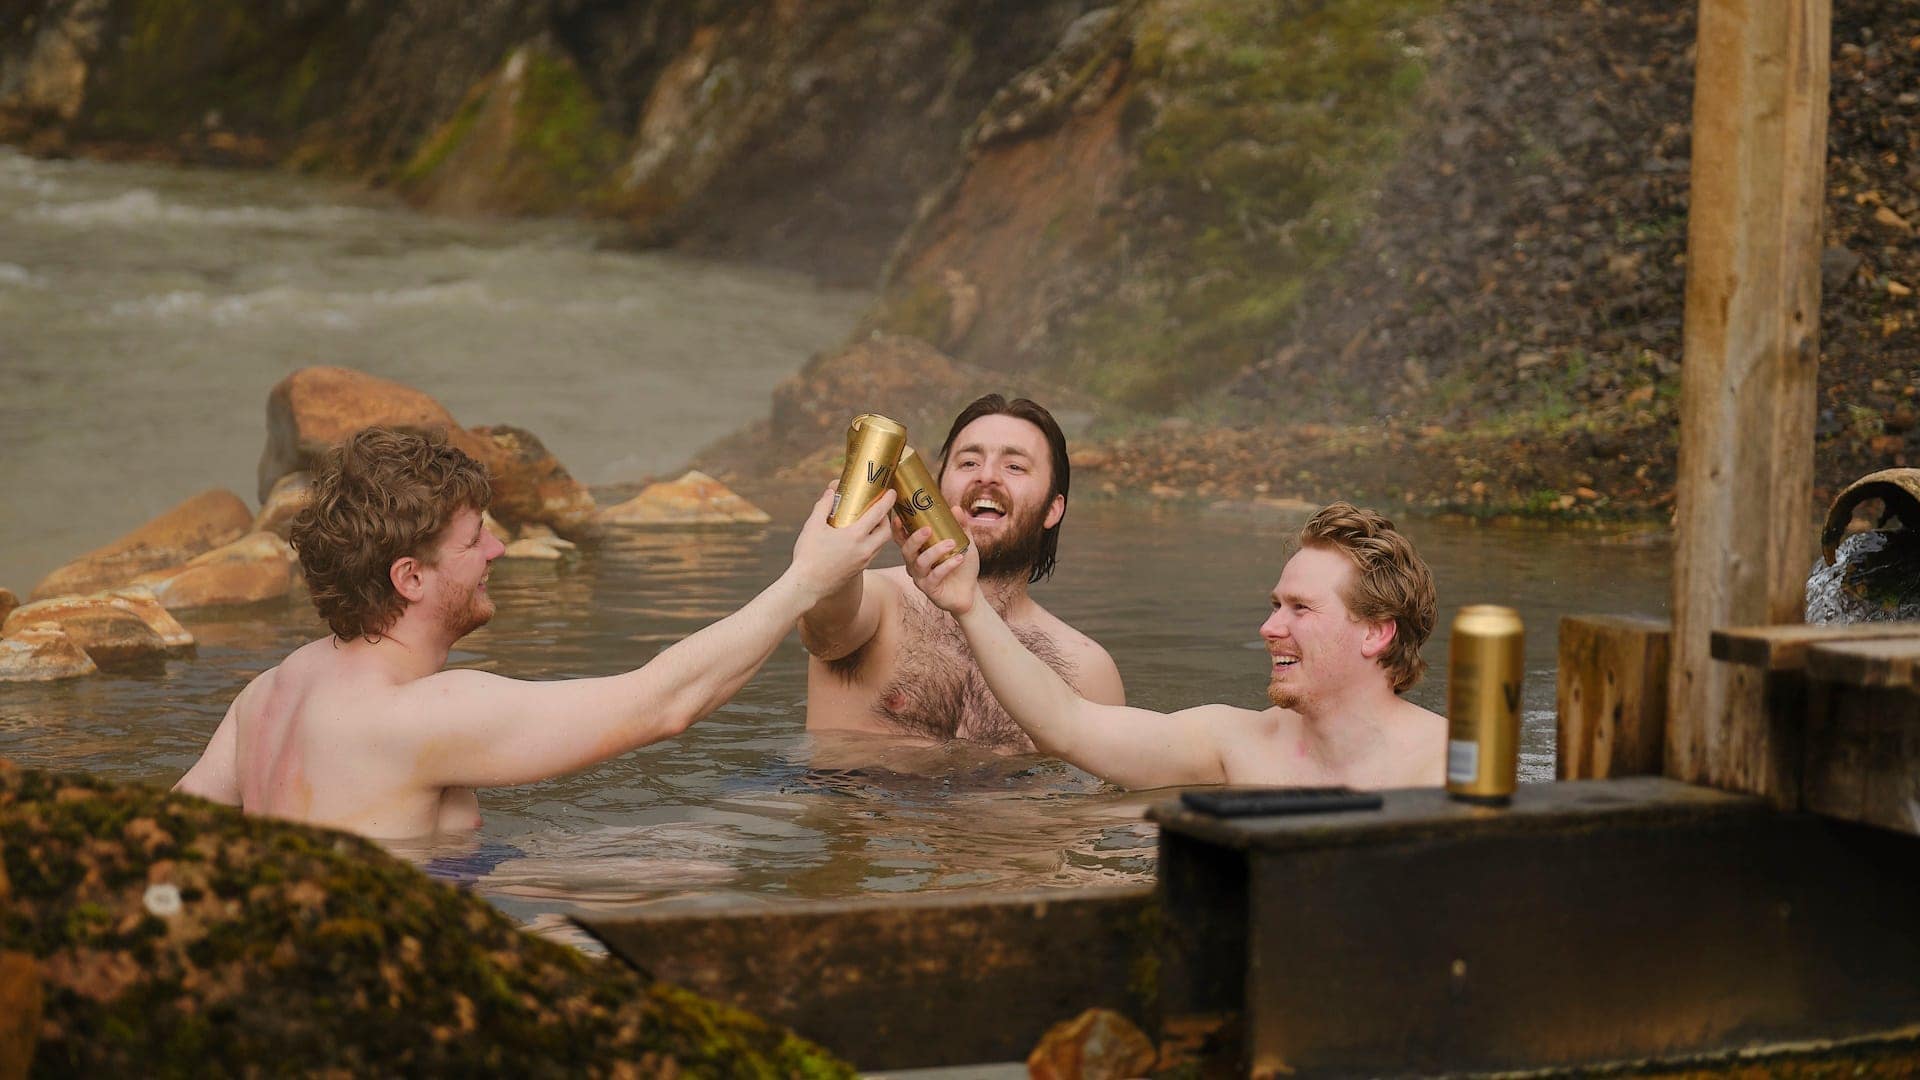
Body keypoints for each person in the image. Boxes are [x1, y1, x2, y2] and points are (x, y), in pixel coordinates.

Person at [174, 427, 895, 839]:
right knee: (690, 871)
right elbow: (662, 704)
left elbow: (158, 834)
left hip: (349, 947)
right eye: (474, 541)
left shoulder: (268, 694)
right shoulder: (415, 714)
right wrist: (807, 580)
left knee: (673, 857)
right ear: (410, 578)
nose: (498, 553)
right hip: (400, 999)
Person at [900, 501, 1445, 788]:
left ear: (1377, 632)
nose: (1269, 627)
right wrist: (967, 603)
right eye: (1275, 605)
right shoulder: (1235, 746)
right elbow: (1064, 724)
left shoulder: (1448, 765)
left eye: (1300, 609)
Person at [799, 394, 1124, 749]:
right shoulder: (875, 603)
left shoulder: (1086, 669)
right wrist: (837, 547)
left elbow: (1099, 796)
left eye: (1015, 467)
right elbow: (825, 621)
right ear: (934, 489)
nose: (987, 476)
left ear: (1052, 508)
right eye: (969, 462)